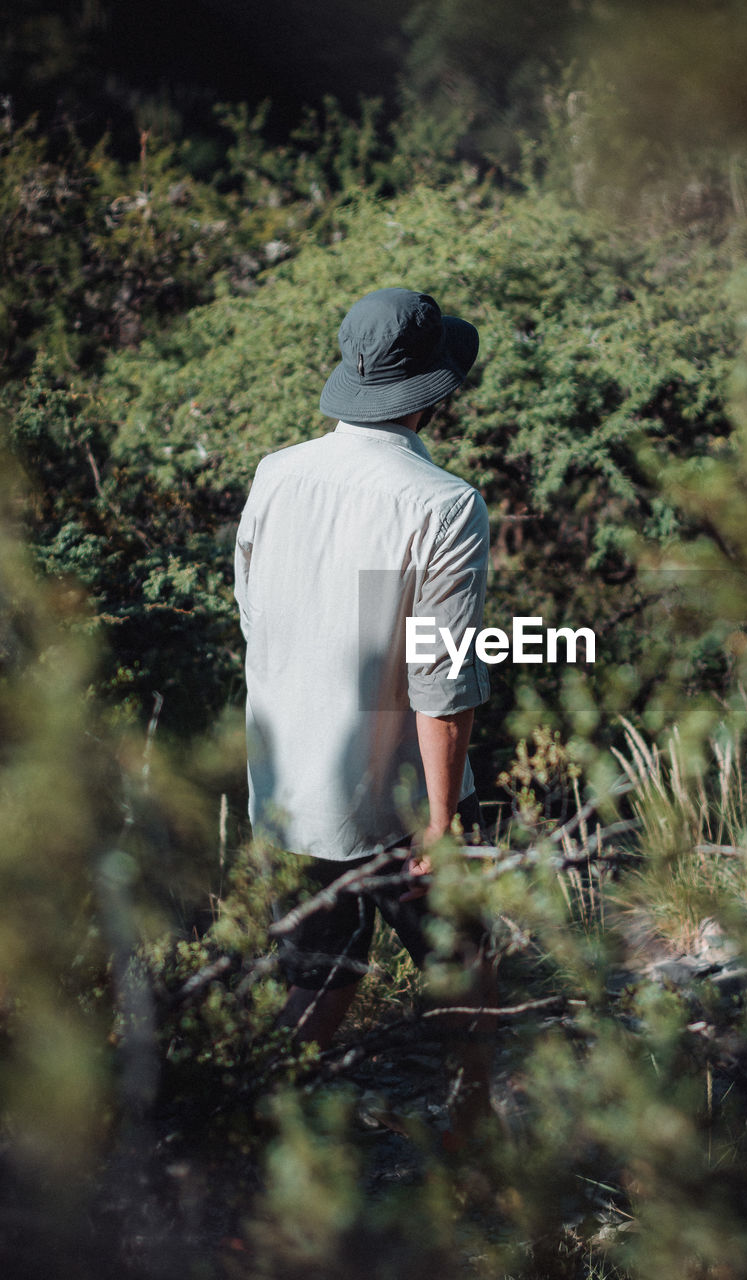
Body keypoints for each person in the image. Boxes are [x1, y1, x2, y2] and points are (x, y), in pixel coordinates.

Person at [234, 287, 495, 1137]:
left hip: (285, 776)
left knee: (319, 957)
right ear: (435, 390)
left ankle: (270, 1140)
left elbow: (253, 612)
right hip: (387, 788)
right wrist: (445, 821)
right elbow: (441, 682)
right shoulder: (444, 504)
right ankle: (473, 1121)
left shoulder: (277, 473)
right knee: (459, 950)